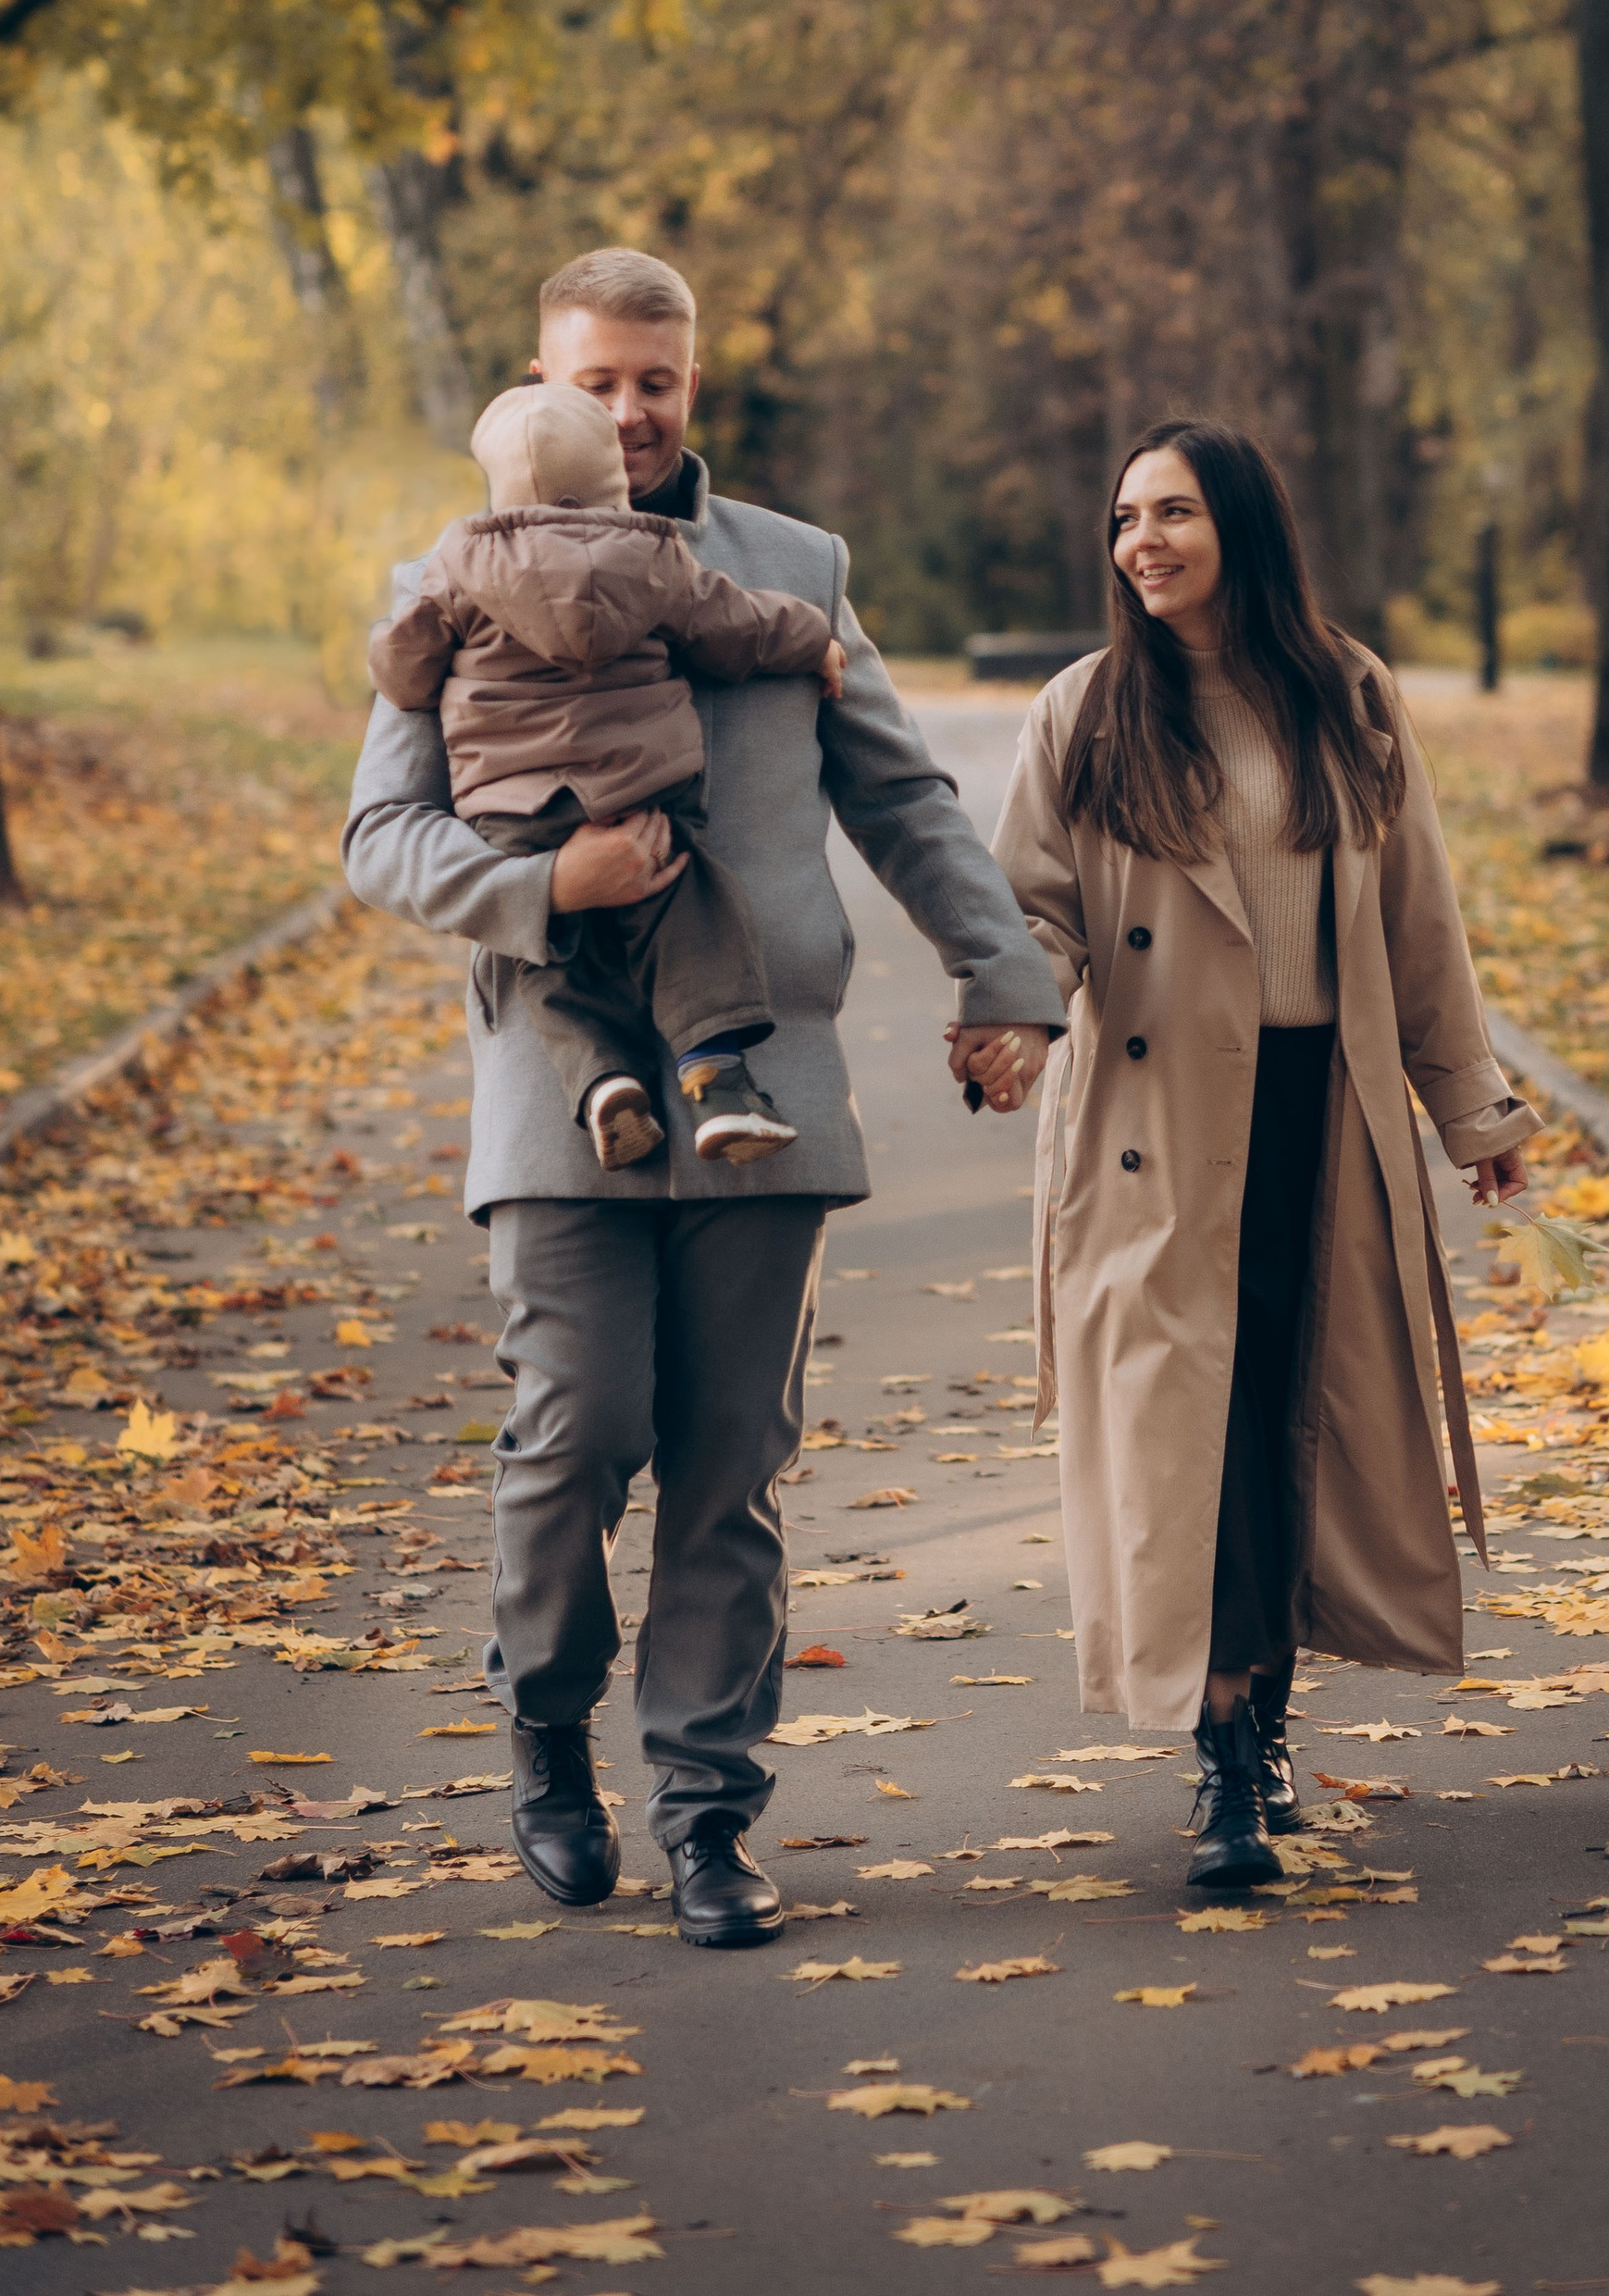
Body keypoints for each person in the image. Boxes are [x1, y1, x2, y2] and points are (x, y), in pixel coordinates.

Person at [342, 249, 1058, 1948]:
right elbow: (383, 841)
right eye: (596, 380)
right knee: (574, 1440)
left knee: (731, 1473)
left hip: (769, 1081)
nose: (630, 409)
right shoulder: (444, 578)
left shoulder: (789, 574)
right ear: (542, 380)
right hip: (557, 1075)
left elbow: (900, 792)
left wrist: (1005, 974)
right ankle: (545, 1732)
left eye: (656, 378)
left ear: (691, 378)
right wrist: (552, 888)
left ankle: (709, 1817)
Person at [985, 421, 1535, 1893]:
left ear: (1241, 522)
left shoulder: (1343, 691)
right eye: (1122, 517)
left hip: (1321, 1107)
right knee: (1196, 1432)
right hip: (1156, 1127)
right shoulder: (1087, 708)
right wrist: (1018, 1025)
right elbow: (1028, 905)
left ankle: (1269, 1710)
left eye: (1170, 511)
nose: (1141, 541)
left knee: (1300, 1411)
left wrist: (1468, 1105)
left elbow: (1419, 914)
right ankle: (1224, 1749)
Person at [368, 377, 848, 1173]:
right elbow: (736, 625)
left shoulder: (459, 561)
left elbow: (405, 670)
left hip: (511, 807)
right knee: (693, 910)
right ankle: (716, 1076)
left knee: (545, 959)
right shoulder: (656, 552)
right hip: (640, 792)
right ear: (611, 480)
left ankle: (602, 1085)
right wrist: (814, 637)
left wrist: (401, 648)